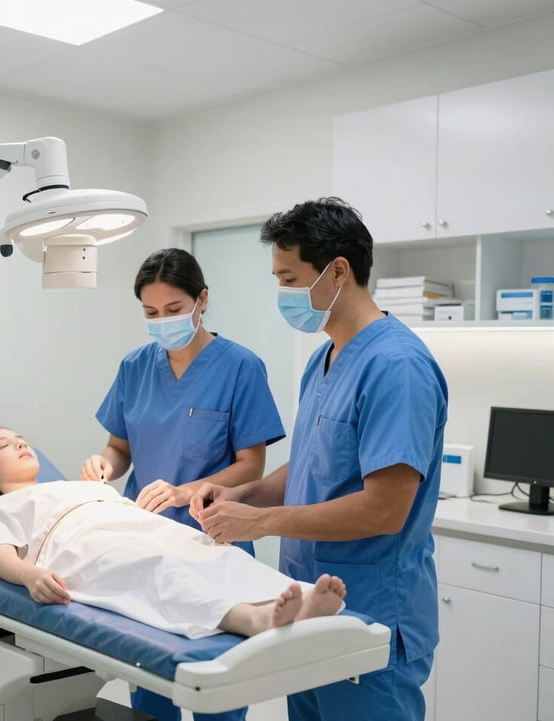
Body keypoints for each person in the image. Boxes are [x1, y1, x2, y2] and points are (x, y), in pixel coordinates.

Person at [191, 197, 448, 721]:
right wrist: (243, 494)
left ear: (337, 271)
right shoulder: (324, 360)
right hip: (308, 610)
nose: (283, 294)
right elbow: (311, 469)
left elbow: (384, 510)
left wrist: (259, 522)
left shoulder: (396, 367)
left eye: (289, 278)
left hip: (371, 617)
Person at [80, 248, 285, 720]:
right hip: (145, 546)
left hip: (213, 541)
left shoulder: (240, 367)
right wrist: (103, 465)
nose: (162, 322)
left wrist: (184, 491)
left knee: (219, 690)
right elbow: (120, 447)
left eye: (173, 310)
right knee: (151, 692)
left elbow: (251, 465)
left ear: (202, 300)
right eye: (151, 313)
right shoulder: (135, 367)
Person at [0, 426, 346, 641]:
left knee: (206, 548)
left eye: (21, 437)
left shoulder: (76, 485)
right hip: (80, 545)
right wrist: (31, 576)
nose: (21, 442)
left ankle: (295, 598)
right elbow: (0, 554)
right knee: (157, 567)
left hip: (131, 521)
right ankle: (252, 620)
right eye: (5, 445)